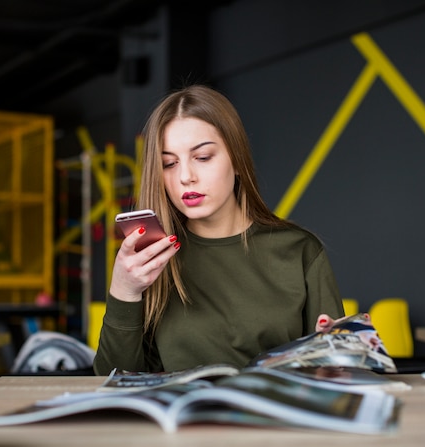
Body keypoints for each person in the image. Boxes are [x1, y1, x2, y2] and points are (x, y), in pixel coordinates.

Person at [93, 85, 344, 375]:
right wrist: (124, 291)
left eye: (202, 157)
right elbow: (111, 381)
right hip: (181, 419)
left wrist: (341, 351)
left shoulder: (300, 251)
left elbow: (340, 375)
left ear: (237, 160)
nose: (186, 176)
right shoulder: (151, 261)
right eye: (169, 163)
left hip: (274, 419)